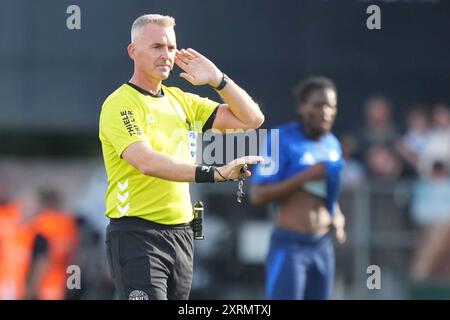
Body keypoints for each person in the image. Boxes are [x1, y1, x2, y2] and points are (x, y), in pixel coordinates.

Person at [99, 14, 264, 300]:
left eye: (171, 48)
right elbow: (146, 161)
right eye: (156, 47)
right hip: (137, 235)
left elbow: (252, 119)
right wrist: (214, 173)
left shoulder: (181, 100)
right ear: (133, 51)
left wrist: (218, 80)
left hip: (181, 236)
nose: (166, 55)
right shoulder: (119, 103)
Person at [250, 76, 345, 300]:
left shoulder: (333, 144)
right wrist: (305, 176)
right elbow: (257, 195)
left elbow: (329, 191)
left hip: (323, 246)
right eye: (318, 105)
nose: (326, 112)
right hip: (290, 246)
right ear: (302, 107)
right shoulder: (280, 139)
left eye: (331, 106)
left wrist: (337, 216)